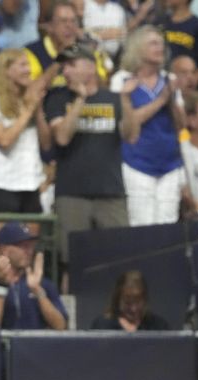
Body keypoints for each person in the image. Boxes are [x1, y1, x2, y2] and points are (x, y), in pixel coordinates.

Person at [44, 44, 138, 274]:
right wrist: (80, 100)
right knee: (72, 262)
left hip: (111, 192)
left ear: (91, 67)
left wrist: (126, 100)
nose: (65, 71)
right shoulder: (58, 98)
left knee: (121, 258)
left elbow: (131, 135)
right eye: (64, 66)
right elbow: (62, 138)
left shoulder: (113, 99)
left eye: (71, 64)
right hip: (71, 193)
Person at [109, 26, 186, 226]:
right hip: (136, 162)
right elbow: (126, 123)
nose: (160, 48)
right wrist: (161, 101)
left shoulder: (169, 80)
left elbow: (182, 126)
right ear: (138, 48)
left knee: (168, 224)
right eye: (153, 43)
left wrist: (171, 100)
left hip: (170, 163)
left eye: (161, 44)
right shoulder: (122, 80)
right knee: (141, 224)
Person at [0, 48, 50, 213]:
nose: (28, 70)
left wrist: (38, 109)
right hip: (2, 183)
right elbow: (4, 140)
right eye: (23, 65)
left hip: (32, 182)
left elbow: (46, 144)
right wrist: (28, 109)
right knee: (1, 232)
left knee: (32, 231)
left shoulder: (29, 100)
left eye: (28, 65)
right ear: (6, 70)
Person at [0, 221, 68, 330]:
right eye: (23, 246)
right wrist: (1, 286)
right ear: (4, 249)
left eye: (31, 246)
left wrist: (38, 291)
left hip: (35, 340)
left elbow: (61, 326)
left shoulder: (44, 284)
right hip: (2, 341)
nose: (29, 251)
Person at [91, 270, 170, 331]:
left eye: (138, 302)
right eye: (127, 303)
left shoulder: (159, 327)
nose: (133, 309)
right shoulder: (101, 327)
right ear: (117, 299)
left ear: (145, 299)